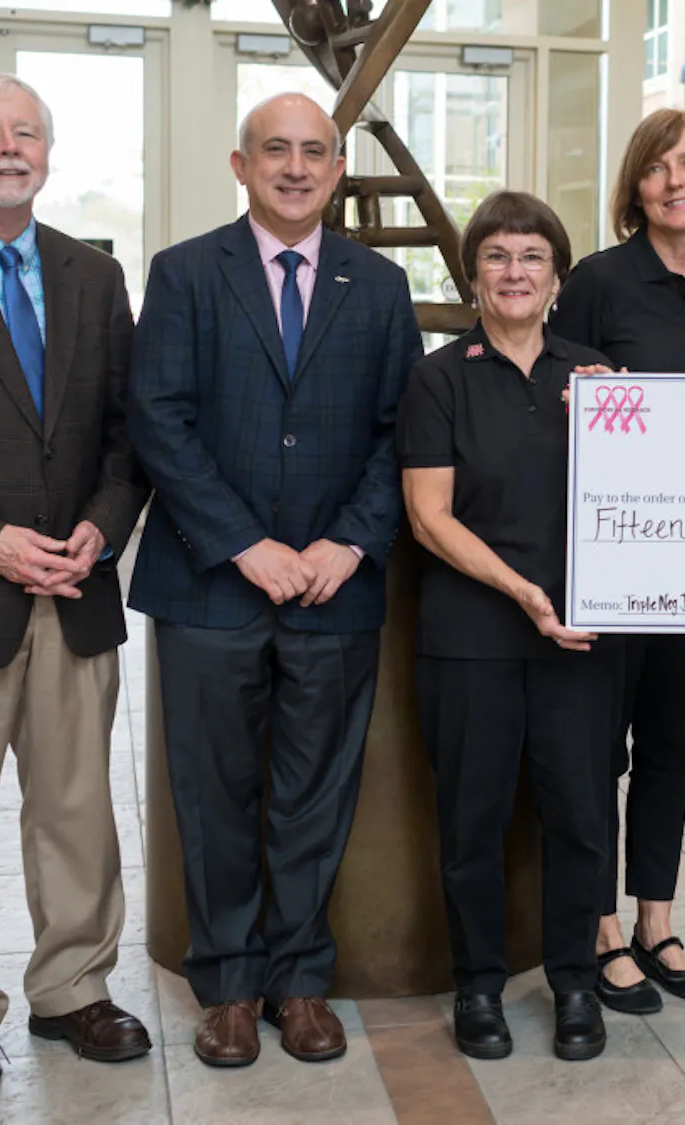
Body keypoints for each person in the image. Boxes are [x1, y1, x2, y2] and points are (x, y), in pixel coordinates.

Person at [128, 93, 421, 1068]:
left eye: (313, 154)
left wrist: (347, 544)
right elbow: (157, 420)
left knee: (314, 794)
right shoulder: (183, 275)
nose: (296, 168)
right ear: (240, 163)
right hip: (212, 586)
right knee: (212, 794)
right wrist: (245, 543)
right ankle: (227, 985)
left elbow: (400, 435)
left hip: (334, 591)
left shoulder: (379, 286)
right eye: (275, 152)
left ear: (336, 171)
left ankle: (300, 982)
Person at [398, 191, 615, 1063]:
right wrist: (525, 592)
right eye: (497, 256)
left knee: (580, 818)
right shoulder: (439, 377)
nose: (514, 272)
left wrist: (636, 422)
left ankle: (574, 982)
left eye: (531, 256)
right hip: (474, 635)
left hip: (585, 637)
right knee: (473, 820)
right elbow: (428, 515)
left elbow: (649, 496)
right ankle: (478, 984)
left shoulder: (598, 379)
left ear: (557, 275)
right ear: (472, 273)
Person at [549, 107, 685, 1014]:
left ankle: (653, 921)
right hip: (611, 563)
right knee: (599, 750)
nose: (678, 180)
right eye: (660, 167)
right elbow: (557, 391)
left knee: (668, 747)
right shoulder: (596, 281)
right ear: (637, 187)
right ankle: (594, 926)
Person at [0, 73, 152, 1086]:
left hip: (76, 592)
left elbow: (129, 436)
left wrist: (100, 526)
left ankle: (73, 992)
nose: (8, 146)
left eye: (25, 133)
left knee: (77, 808)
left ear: (48, 153)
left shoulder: (94, 277)